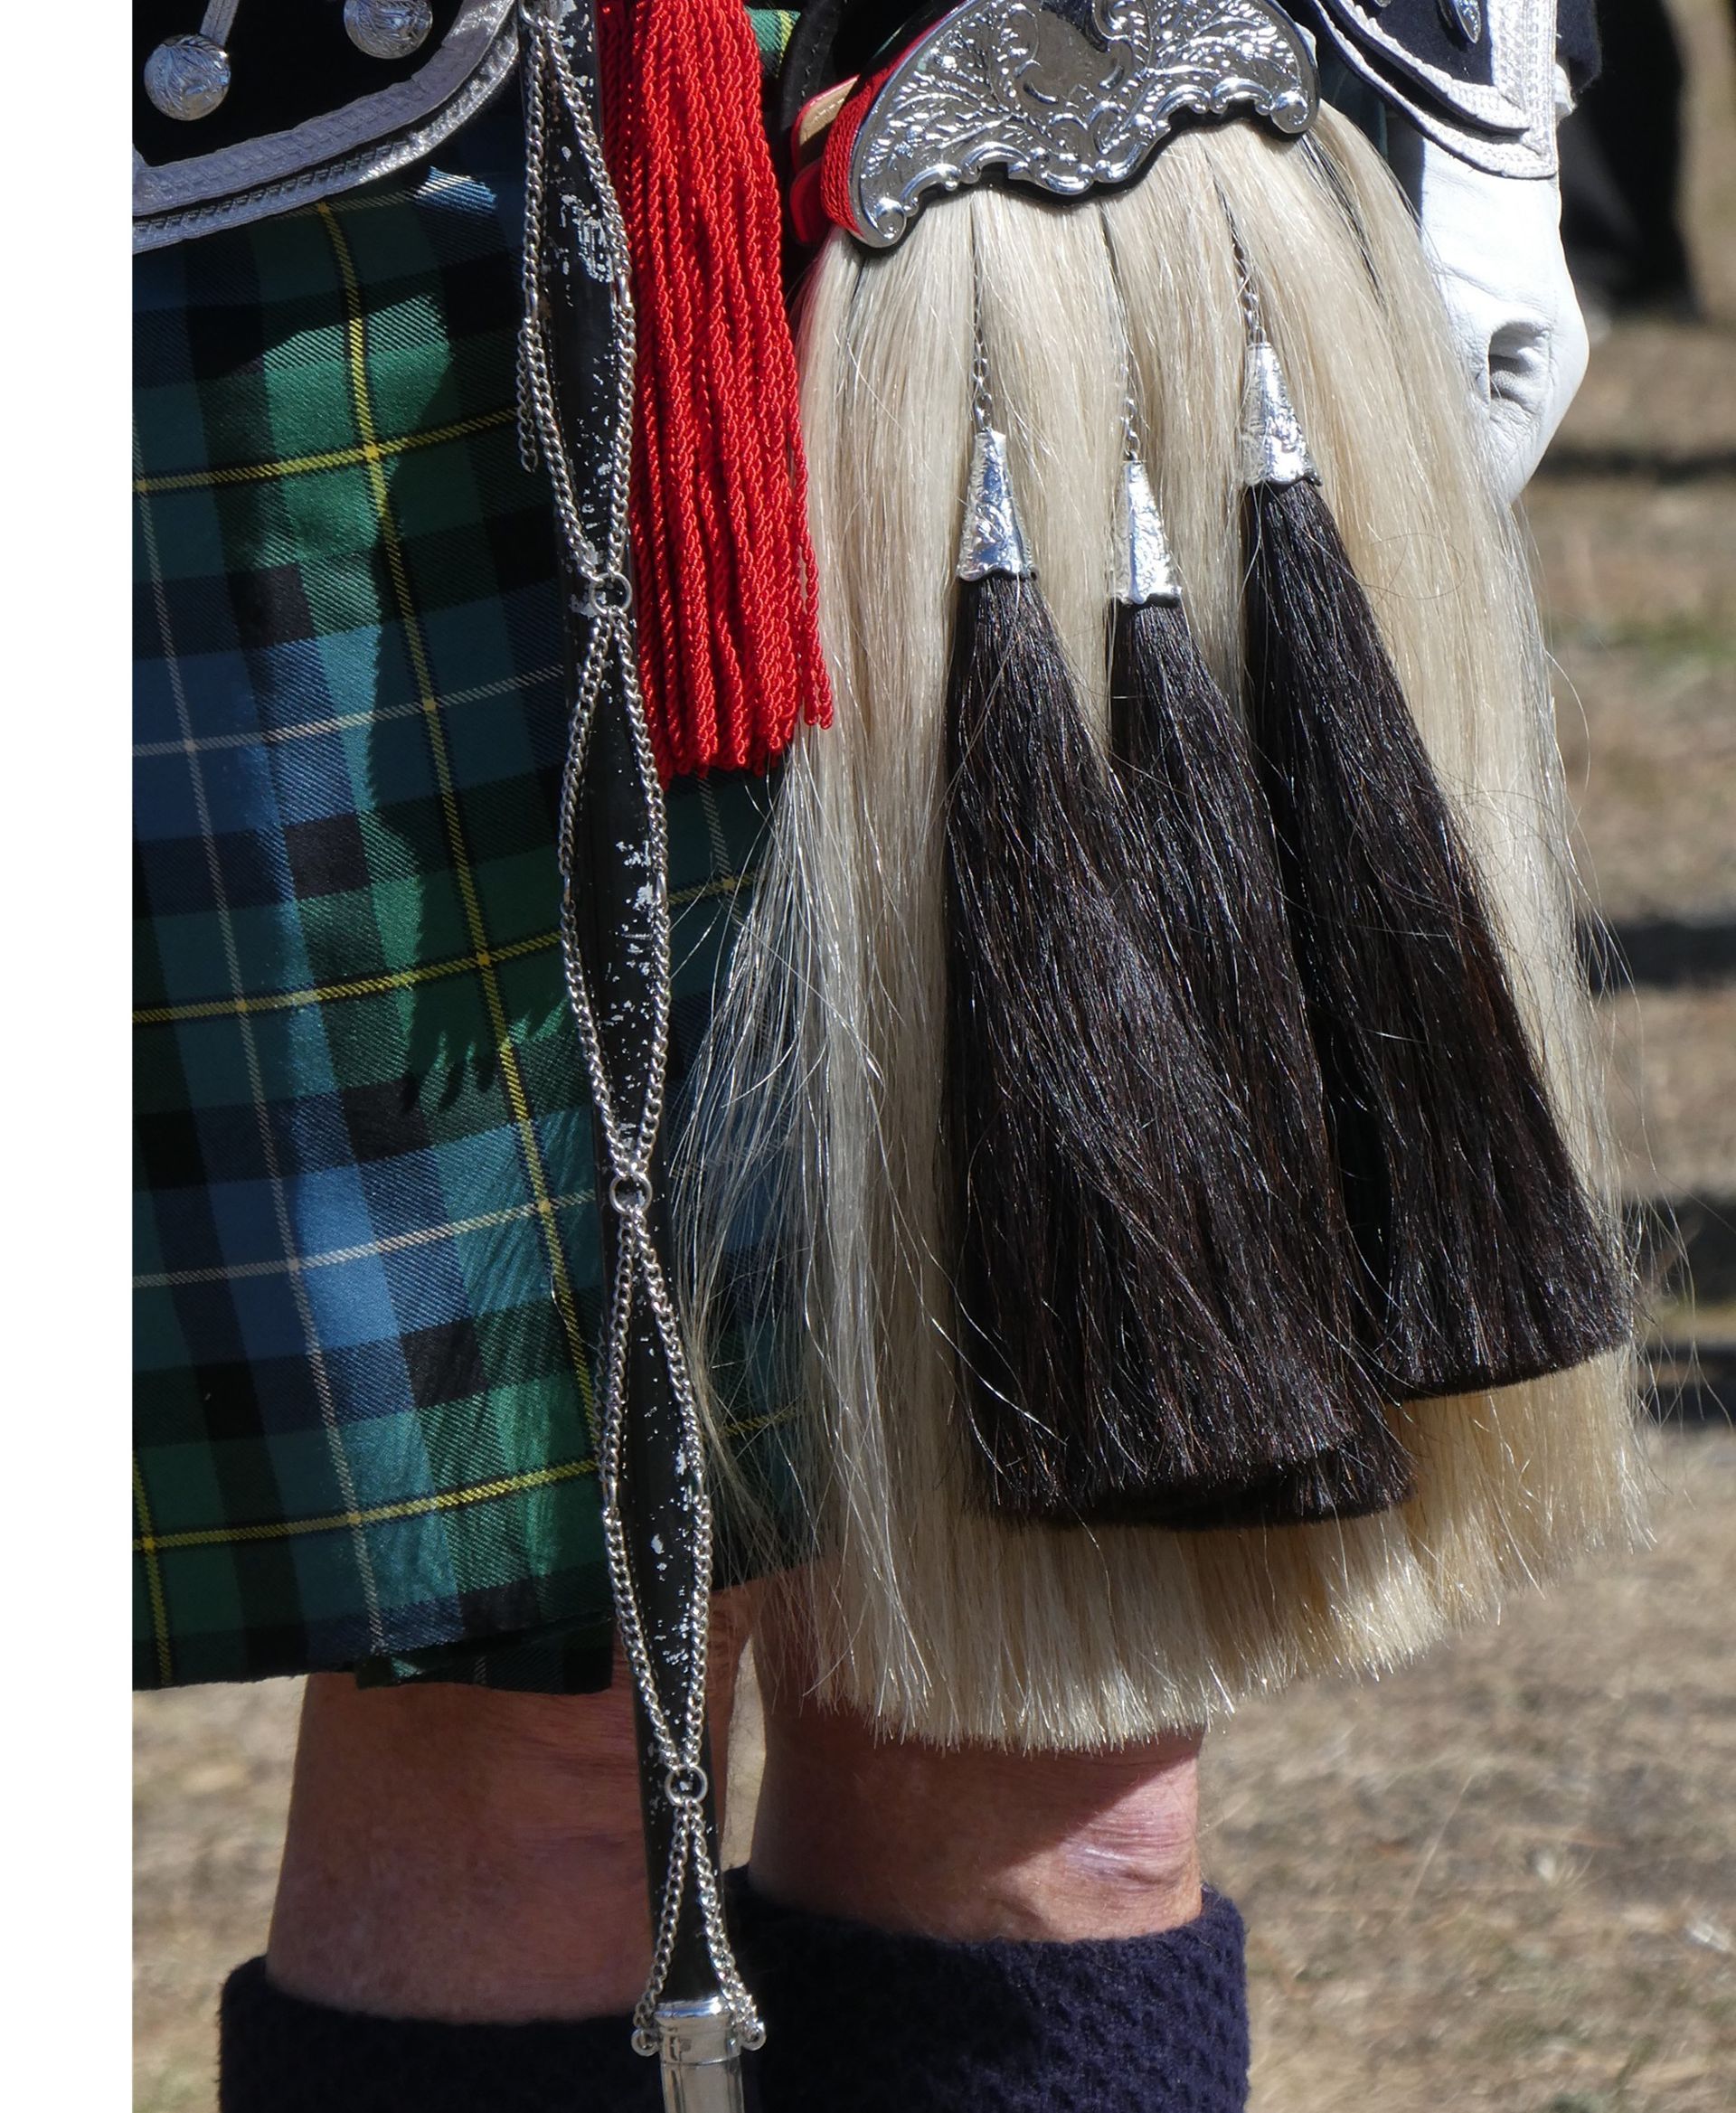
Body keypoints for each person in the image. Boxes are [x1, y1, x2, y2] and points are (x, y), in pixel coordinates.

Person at [135, 5, 1637, 2107]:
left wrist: (1476, 60)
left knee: (1068, 1754)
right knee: (519, 1747)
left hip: (1080, 119)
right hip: (394, 185)